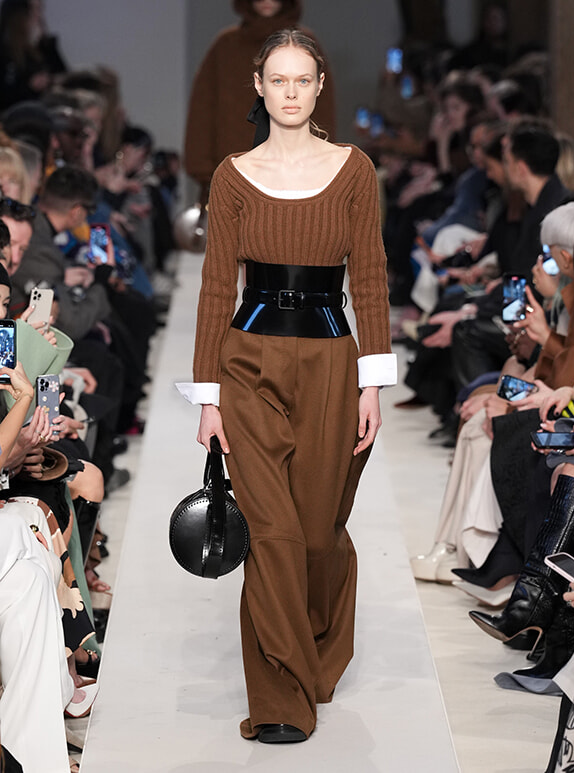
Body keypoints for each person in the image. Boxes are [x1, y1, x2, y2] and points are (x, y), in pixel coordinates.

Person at [182, 29, 395, 743]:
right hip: (247, 362)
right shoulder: (233, 176)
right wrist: (208, 395)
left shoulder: (354, 170)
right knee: (271, 532)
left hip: (332, 361)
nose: (292, 92)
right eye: (279, 79)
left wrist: (373, 383)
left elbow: (369, 275)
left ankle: (320, 646)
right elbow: (217, 287)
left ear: (320, 85)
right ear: (259, 86)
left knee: (317, 533)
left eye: (303, 79)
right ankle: (279, 698)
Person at [184, 0, 336, 190]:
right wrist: (206, 172)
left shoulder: (305, 45)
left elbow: (323, 110)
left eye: (302, 81)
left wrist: (320, 165)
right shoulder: (226, 46)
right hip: (230, 177)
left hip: (298, 175)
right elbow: (203, 110)